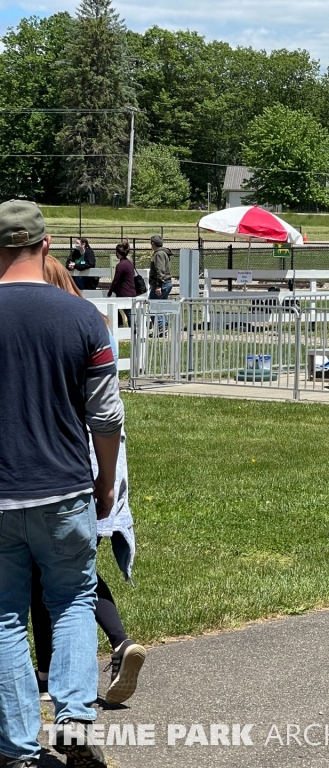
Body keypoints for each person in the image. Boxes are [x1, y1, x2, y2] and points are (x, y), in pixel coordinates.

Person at [0, 200, 123, 767]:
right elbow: (106, 416)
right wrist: (103, 484)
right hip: (65, 485)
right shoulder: (83, 317)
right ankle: (73, 722)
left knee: (4, 618)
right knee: (72, 600)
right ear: (47, 246)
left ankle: (19, 749)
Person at [32, 255, 146, 708]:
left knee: (58, 574)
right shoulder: (92, 322)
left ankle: (52, 673)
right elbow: (107, 411)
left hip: (64, 459)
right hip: (105, 456)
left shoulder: (50, 329)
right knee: (69, 568)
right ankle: (117, 644)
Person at [107, 242, 137, 328]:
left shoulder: (120, 265)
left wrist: (109, 292)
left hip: (124, 292)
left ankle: (129, 328)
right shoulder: (129, 263)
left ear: (118, 253)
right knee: (127, 311)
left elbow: (115, 280)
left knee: (126, 312)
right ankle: (129, 328)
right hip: (131, 291)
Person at [147, 235, 172, 300]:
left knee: (153, 306)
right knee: (162, 307)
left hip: (162, 284)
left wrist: (159, 286)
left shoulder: (159, 254)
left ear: (153, 243)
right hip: (166, 283)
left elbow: (160, 270)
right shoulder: (164, 252)